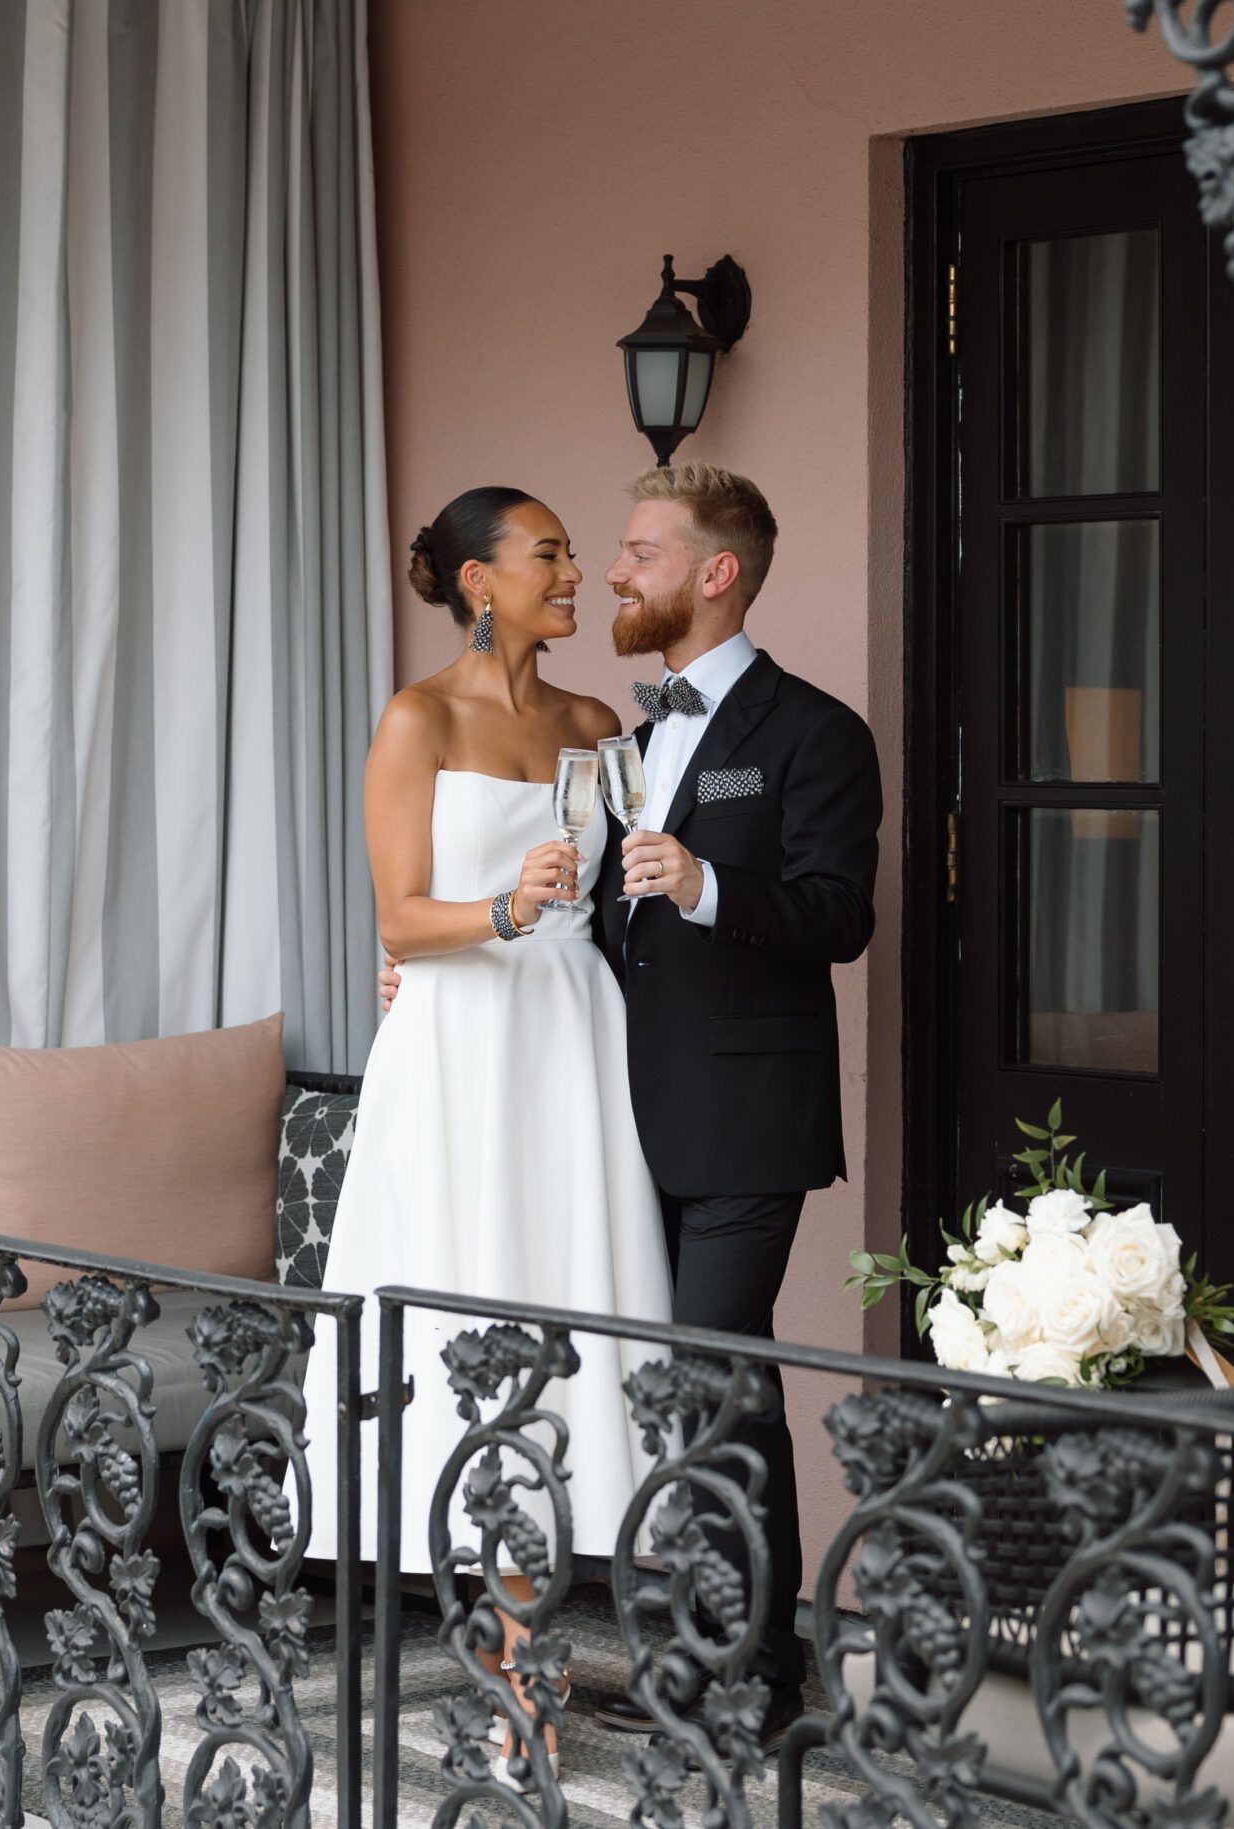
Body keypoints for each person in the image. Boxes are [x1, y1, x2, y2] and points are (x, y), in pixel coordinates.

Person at [378, 464, 881, 1752]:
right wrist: (450, 956)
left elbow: (839, 914)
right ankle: (648, 1652)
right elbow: (570, 901)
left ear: (712, 573)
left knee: (710, 1381)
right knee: (628, 1379)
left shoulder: (814, 733)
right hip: (591, 1106)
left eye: (635, 550)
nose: (607, 570)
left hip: (737, 1121)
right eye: (585, 550)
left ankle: (750, 1674)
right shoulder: (620, 730)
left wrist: (710, 881)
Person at [300, 485, 674, 1767]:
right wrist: (503, 912)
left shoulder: (592, 721)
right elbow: (400, 919)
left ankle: (531, 1653)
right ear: (476, 580)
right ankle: (508, 1659)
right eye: (548, 554)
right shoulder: (417, 718)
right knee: (470, 1308)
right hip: (462, 1050)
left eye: (575, 552)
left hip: (573, 1038)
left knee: (567, 1308)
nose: (573, 571)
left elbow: (634, 890)